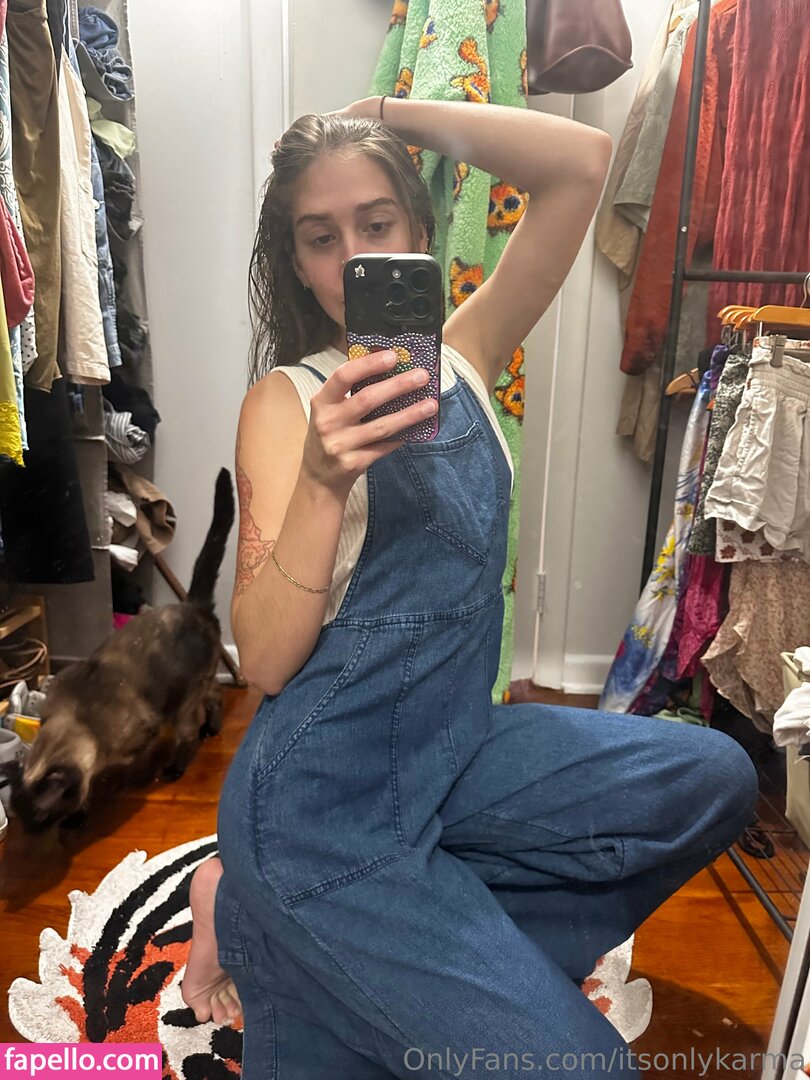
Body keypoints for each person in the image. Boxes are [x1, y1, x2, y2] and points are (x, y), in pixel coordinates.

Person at [181, 96, 759, 1076]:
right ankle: (274, 914)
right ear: (297, 261)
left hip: (454, 752)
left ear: (418, 226)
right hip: (324, 806)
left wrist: (384, 113)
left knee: (715, 778)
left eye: (376, 224)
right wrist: (322, 481)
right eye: (321, 239)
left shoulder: (468, 353)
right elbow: (267, 661)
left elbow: (581, 163)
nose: (352, 258)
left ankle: (372, 946)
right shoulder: (286, 404)